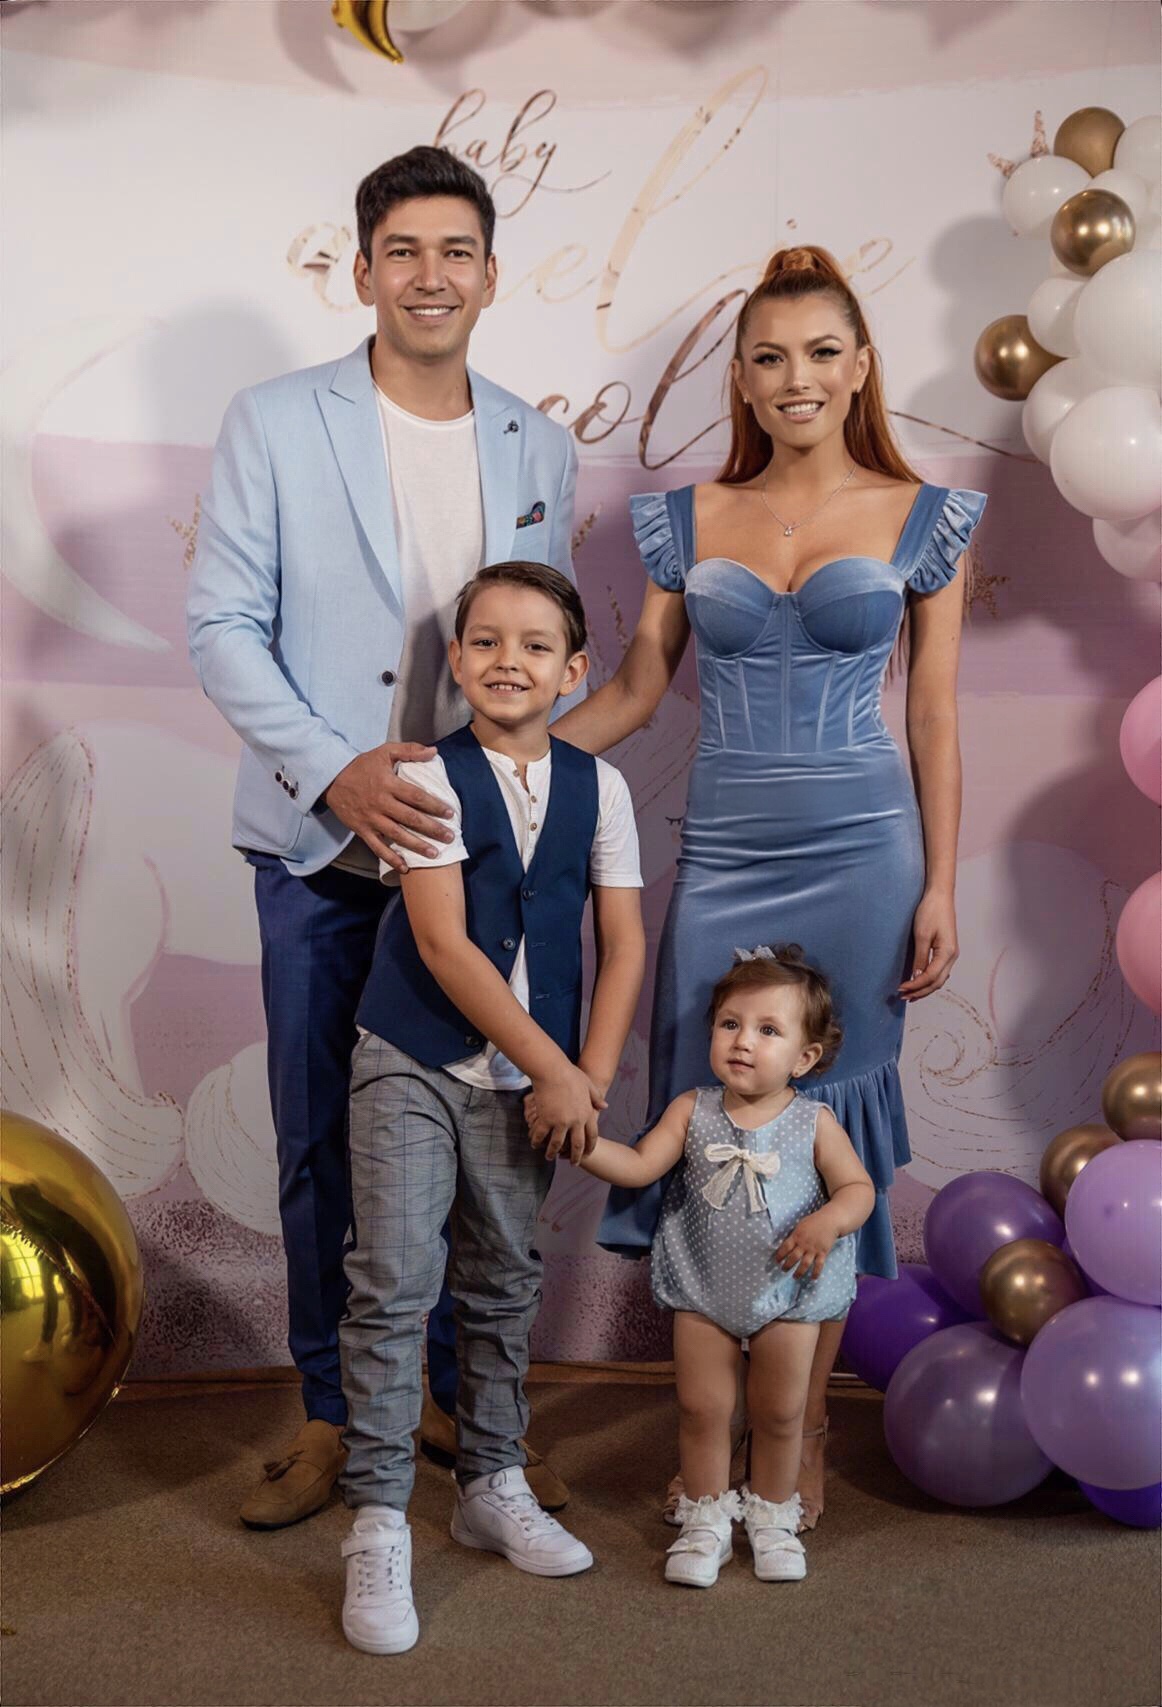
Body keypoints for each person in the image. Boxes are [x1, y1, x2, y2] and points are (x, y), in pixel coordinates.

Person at [552, 244, 987, 1529]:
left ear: (859, 367)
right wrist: (499, 758)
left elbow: (934, 715)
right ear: (739, 379)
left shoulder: (924, 517)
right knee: (713, 1121)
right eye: (768, 357)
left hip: (866, 855)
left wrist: (940, 884)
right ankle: (711, 1439)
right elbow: (635, 692)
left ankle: (792, 1450)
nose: (795, 376)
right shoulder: (686, 520)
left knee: (827, 1128)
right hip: (727, 854)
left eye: (819, 352)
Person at [186, 145, 580, 1529]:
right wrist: (331, 770)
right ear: (361, 271)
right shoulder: (273, 420)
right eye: (401, 250)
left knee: (474, 1140)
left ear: (490, 273)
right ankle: (330, 1407)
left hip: (474, 868)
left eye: (454, 250)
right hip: (320, 848)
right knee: (319, 1143)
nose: (429, 275)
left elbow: (542, 641)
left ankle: (445, 1403)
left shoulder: (540, 446)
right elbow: (221, 625)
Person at [338, 562, 645, 1655]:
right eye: (483, 640)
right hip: (413, 1059)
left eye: (534, 644)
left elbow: (622, 945)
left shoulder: (600, 789)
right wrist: (553, 1069)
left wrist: (585, 1077)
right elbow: (441, 943)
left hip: (534, 1081)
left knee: (505, 1277)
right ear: (457, 661)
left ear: (574, 669)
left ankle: (490, 1481)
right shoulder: (426, 775)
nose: (507, 660)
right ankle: (378, 1518)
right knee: (393, 1281)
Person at [579, 947, 873, 1585]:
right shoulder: (693, 1109)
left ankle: (771, 1517)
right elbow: (639, 1166)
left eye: (768, 1030)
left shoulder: (814, 1121)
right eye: (730, 1024)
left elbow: (858, 1190)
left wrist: (827, 1221)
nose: (743, 1041)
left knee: (780, 1413)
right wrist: (581, 1142)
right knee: (702, 1408)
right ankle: (705, 1522)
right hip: (705, 1285)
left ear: (803, 1058)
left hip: (787, 1291)